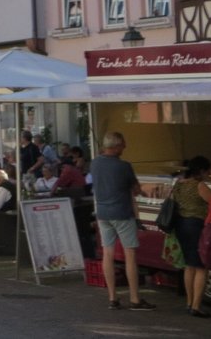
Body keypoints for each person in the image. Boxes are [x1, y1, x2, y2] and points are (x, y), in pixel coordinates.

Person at [91, 131, 154, 310]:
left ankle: (112, 298)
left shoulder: (95, 163)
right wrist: (146, 189)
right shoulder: (124, 166)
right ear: (116, 146)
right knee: (130, 255)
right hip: (122, 213)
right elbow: (135, 189)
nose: (125, 147)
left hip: (103, 213)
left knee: (108, 254)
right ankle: (135, 298)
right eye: (123, 145)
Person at [173, 155, 211, 318]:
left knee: (189, 265)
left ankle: (189, 302)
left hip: (181, 225)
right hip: (196, 226)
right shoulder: (199, 186)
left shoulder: (179, 184)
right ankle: (196, 306)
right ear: (201, 171)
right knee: (201, 267)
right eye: (207, 171)